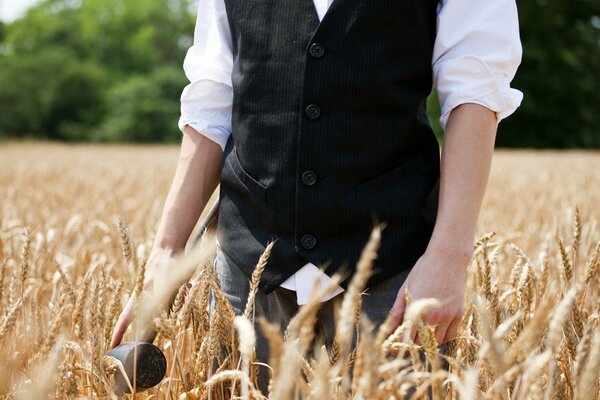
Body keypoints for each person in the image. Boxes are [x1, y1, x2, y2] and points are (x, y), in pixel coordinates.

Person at [111, 0, 523, 394]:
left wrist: (449, 258)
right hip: (248, 268)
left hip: (395, 271)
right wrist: (167, 247)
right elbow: (212, 95)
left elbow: (476, 91)